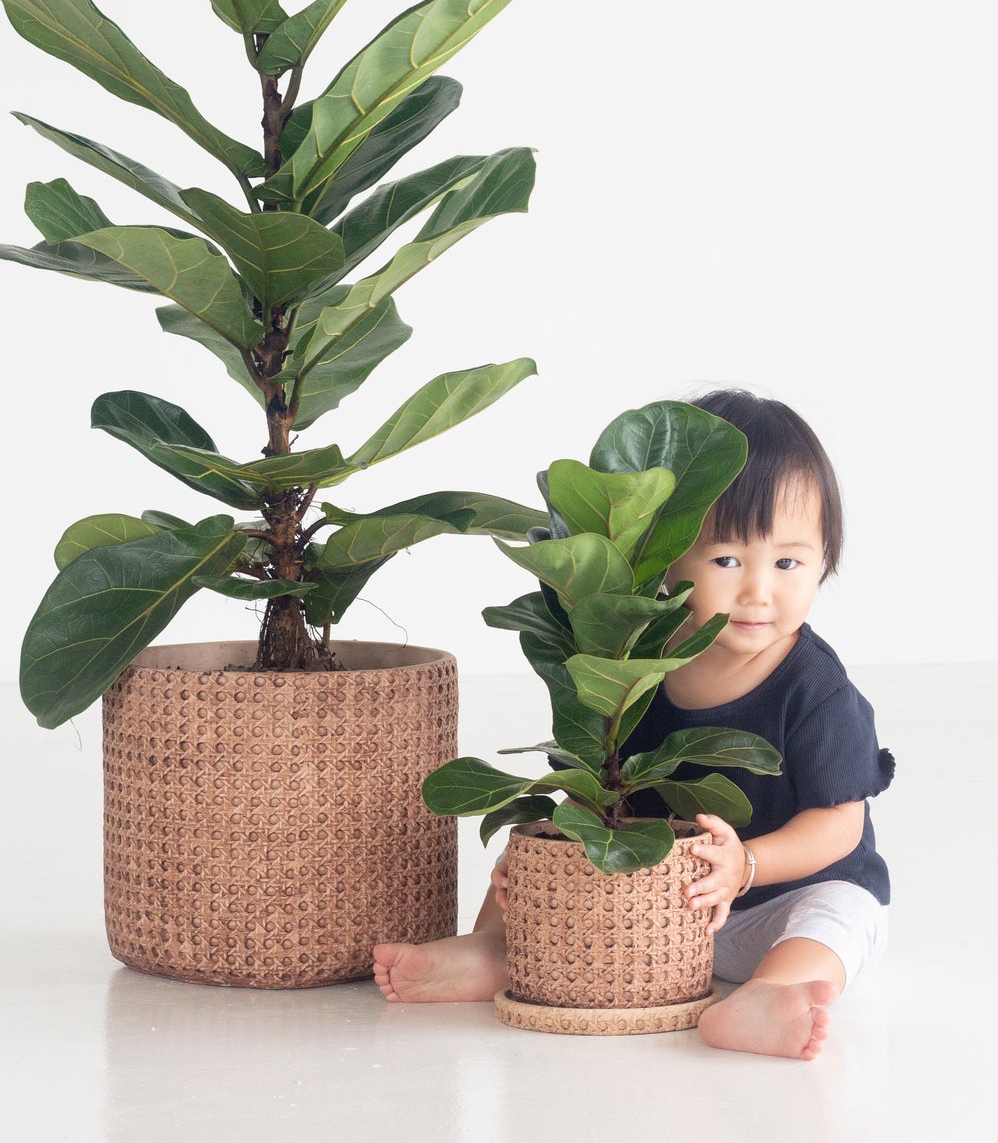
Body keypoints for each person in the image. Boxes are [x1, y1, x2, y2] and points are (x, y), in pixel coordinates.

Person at [373, 389, 894, 1061]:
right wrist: (544, 861)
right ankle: (499, 952)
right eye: (727, 561)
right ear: (667, 560)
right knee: (540, 847)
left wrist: (747, 866)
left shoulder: (817, 690)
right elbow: (597, 789)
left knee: (837, 917)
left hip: (784, 897)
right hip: (662, 904)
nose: (758, 591)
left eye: (788, 562)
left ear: (824, 560)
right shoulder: (632, 660)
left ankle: (768, 995)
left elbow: (838, 828)